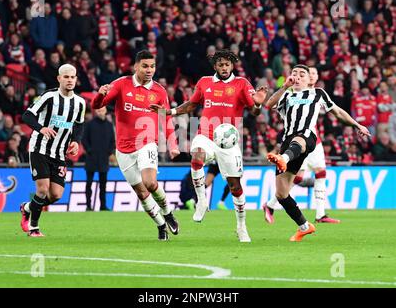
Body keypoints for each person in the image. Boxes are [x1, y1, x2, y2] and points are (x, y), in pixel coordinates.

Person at [151, 49, 267, 242]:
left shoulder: (241, 84)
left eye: (227, 64)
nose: (224, 67)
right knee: (196, 155)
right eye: (220, 64)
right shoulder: (205, 82)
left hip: (228, 142)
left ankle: (241, 226)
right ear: (215, 66)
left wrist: (258, 105)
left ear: (232, 66)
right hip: (206, 134)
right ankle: (202, 201)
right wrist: (168, 112)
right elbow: (190, 105)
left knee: (235, 186)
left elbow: (254, 112)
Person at [264, 65, 370, 242]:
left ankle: (283, 158)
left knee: (302, 136)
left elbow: (337, 112)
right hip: (287, 141)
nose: (297, 76)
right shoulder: (287, 95)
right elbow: (268, 104)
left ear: (308, 79)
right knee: (282, 193)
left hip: (307, 137)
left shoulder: (318, 93)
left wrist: (357, 125)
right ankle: (305, 227)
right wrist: (284, 87)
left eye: (301, 74)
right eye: (294, 73)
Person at [91, 50, 180, 241]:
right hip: (123, 148)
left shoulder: (159, 91)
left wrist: (173, 144)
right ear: (136, 67)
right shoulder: (121, 84)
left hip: (147, 143)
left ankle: (168, 213)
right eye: (145, 66)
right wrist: (100, 95)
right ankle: (160, 225)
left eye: (152, 66)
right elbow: (97, 105)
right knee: (141, 192)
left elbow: (166, 118)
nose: (149, 70)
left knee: (150, 183)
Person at [263, 67, 340, 224]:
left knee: (321, 173)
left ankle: (320, 214)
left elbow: (333, 113)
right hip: (297, 141)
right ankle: (271, 204)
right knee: (296, 178)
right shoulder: (292, 94)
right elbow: (271, 106)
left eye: (313, 73)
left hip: (314, 142)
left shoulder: (318, 94)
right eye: (305, 73)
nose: (309, 76)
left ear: (316, 77)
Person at [20, 64, 86, 237]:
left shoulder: (80, 102)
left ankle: (27, 208)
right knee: (42, 190)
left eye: (72, 77)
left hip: (59, 153)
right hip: (39, 148)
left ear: (76, 79)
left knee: (55, 194)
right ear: (59, 79)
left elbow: (79, 124)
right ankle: (34, 228)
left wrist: (76, 141)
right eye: (66, 77)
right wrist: (41, 128)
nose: (70, 80)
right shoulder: (49, 96)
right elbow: (27, 115)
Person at [82, 106, 115, 211]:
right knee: (89, 183)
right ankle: (88, 205)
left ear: (105, 111)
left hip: (104, 159)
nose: (100, 112)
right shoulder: (89, 124)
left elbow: (112, 141)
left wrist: (109, 152)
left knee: (103, 185)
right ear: (96, 111)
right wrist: (89, 150)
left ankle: (103, 206)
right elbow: (84, 139)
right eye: (98, 110)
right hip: (91, 158)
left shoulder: (109, 125)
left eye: (102, 110)